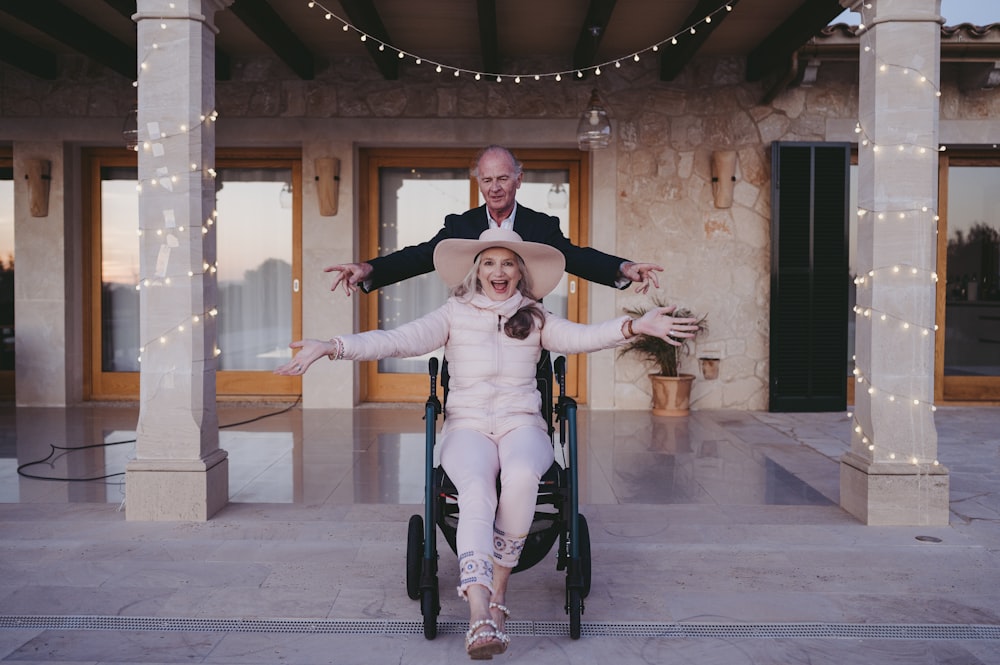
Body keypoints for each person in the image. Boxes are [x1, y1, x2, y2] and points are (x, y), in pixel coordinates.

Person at [276, 228, 698, 659]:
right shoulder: (452, 313)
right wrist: (333, 346)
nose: (499, 271)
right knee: (475, 488)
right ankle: (479, 612)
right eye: (490, 263)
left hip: (522, 426)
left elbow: (584, 337)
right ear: (477, 270)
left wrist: (633, 326)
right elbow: (396, 340)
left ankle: (497, 595)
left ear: (520, 272)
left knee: (521, 476)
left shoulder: (535, 316)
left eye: (508, 263)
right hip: (468, 427)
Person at [325, 144, 665, 296]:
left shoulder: (541, 226)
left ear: (518, 179)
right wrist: (369, 269)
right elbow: (420, 256)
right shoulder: (460, 225)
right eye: (487, 181)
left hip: (525, 325)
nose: (495, 188)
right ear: (479, 183)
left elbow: (573, 257)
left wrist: (624, 268)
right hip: (471, 326)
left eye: (502, 179)